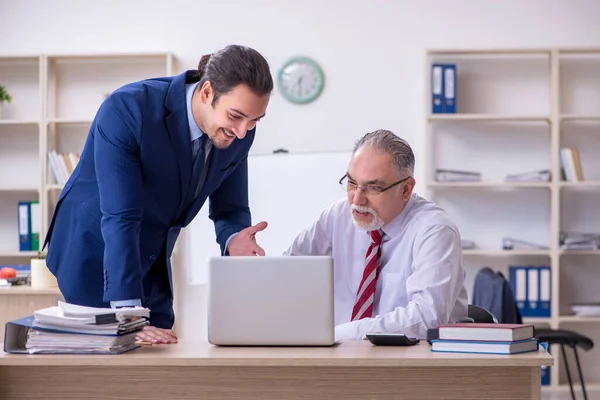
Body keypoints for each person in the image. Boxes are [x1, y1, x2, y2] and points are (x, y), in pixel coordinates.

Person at [43, 44, 274, 344]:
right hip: (95, 250)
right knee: (110, 355)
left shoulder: (240, 130)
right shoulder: (127, 109)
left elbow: (230, 208)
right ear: (207, 93)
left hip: (152, 250)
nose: (243, 132)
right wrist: (127, 314)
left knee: (160, 348)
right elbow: (121, 216)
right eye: (236, 116)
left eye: (255, 120)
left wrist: (233, 239)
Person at [284, 129, 468, 341]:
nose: (357, 200)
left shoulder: (434, 231)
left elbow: (426, 318)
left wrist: (337, 334)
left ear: (406, 189)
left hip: (416, 361)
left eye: (373, 188)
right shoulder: (338, 216)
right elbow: (287, 271)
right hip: (338, 356)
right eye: (352, 183)